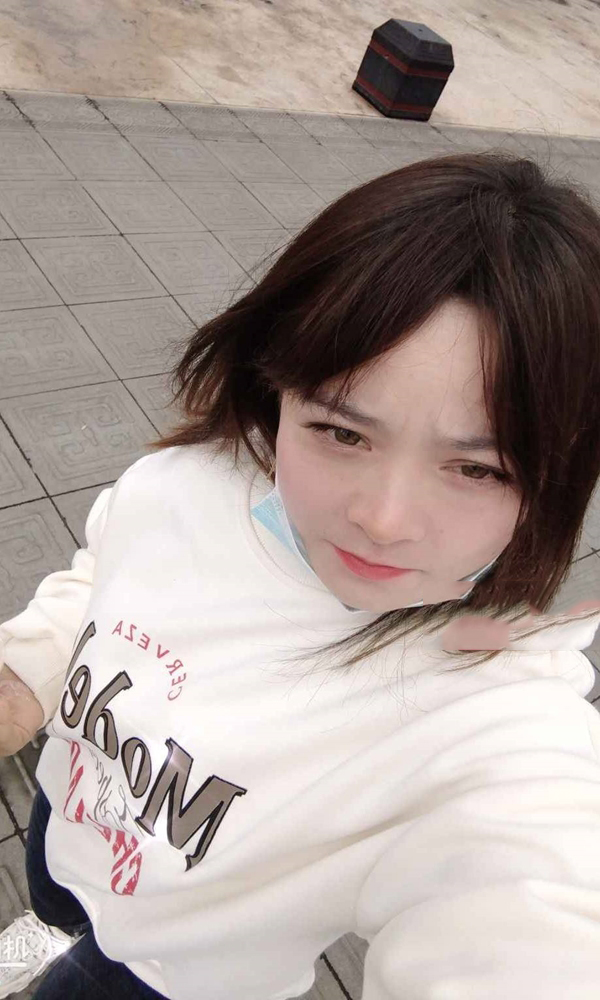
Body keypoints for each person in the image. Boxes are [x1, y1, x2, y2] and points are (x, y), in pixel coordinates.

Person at [1, 150, 600, 1000]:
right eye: (343, 433)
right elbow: (111, 569)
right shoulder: (189, 483)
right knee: (57, 899)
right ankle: (47, 931)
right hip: (69, 810)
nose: (384, 519)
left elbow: (535, 907)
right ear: (274, 392)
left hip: (168, 975)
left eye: (477, 468)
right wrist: (28, 670)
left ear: (556, 478)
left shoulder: (494, 722)